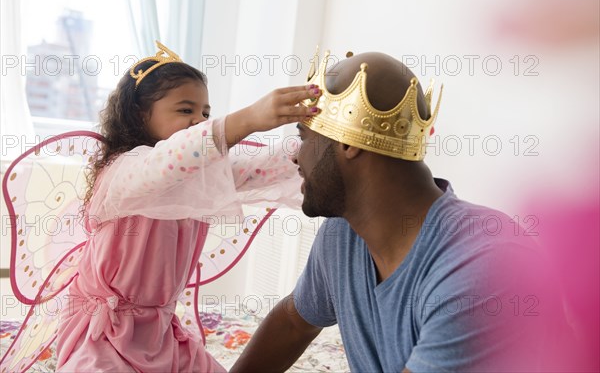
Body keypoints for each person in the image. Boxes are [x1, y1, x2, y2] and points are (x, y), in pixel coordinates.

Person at [231, 51, 560, 372]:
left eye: (303, 137)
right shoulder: (343, 234)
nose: (294, 157)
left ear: (348, 143)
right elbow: (293, 322)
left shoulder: (486, 267)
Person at [54, 42, 321, 372]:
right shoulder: (123, 171)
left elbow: (262, 165)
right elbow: (168, 163)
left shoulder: (202, 174)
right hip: (102, 338)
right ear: (140, 113)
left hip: (160, 336)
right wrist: (249, 118)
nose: (199, 120)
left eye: (206, 114)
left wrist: (316, 141)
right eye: (185, 110)